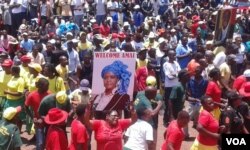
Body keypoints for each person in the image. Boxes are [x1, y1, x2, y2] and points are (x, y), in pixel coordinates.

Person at [24, 78, 51, 150]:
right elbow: (26, 107)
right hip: (38, 122)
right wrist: (33, 117)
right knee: (40, 142)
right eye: (46, 87)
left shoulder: (49, 94)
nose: (47, 88)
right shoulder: (32, 95)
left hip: (49, 121)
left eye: (48, 86)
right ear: (39, 86)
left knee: (49, 141)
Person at [4, 66, 25, 131]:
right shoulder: (12, 77)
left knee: (18, 117)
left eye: (11, 70)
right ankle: (10, 130)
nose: (10, 71)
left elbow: (20, 93)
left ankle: (18, 132)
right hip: (9, 100)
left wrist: (8, 92)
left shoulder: (20, 80)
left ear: (14, 72)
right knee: (9, 116)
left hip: (17, 101)